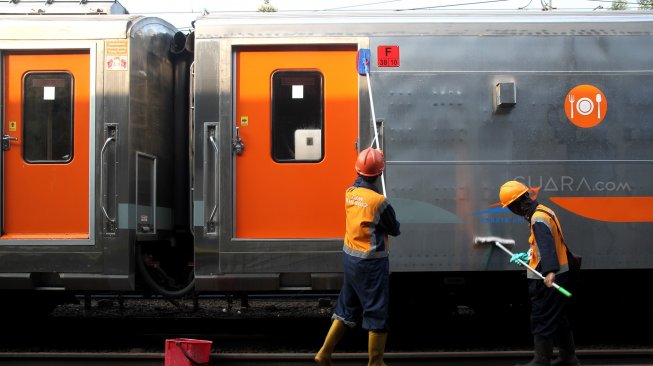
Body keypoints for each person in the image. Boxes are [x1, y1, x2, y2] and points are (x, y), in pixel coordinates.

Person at [315, 147, 401, 366]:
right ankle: (376, 361)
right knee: (376, 311)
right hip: (371, 264)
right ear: (380, 173)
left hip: (351, 260)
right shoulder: (379, 202)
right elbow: (395, 229)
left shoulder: (350, 193)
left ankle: (324, 353)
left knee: (347, 307)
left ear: (358, 170)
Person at [499, 180, 580, 366]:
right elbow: (540, 246)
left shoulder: (537, 218)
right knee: (558, 317)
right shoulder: (544, 210)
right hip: (560, 272)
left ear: (517, 204)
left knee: (541, 317)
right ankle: (568, 358)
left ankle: (541, 361)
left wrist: (550, 271)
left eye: (510, 207)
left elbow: (546, 244)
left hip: (549, 278)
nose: (512, 211)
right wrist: (528, 257)